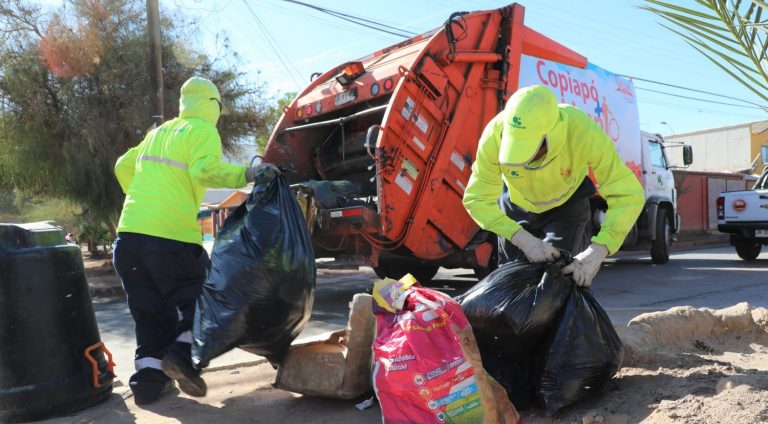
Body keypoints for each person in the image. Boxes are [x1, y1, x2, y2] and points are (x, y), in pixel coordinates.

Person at [113, 77, 275, 405]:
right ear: (213, 105)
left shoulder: (157, 134)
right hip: (170, 238)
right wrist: (247, 173)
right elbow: (205, 171)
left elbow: (121, 166)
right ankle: (181, 354)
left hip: (128, 238)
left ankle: (147, 383)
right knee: (206, 299)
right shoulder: (202, 131)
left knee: (149, 314)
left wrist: (145, 200)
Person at [463, 85, 644, 286]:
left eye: (531, 152)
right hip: (516, 203)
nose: (525, 162)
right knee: (511, 282)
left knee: (558, 279)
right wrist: (521, 238)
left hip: (567, 206)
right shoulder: (493, 136)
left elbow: (628, 194)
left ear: (551, 135)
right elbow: (476, 199)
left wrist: (598, 251)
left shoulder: (582, 131)